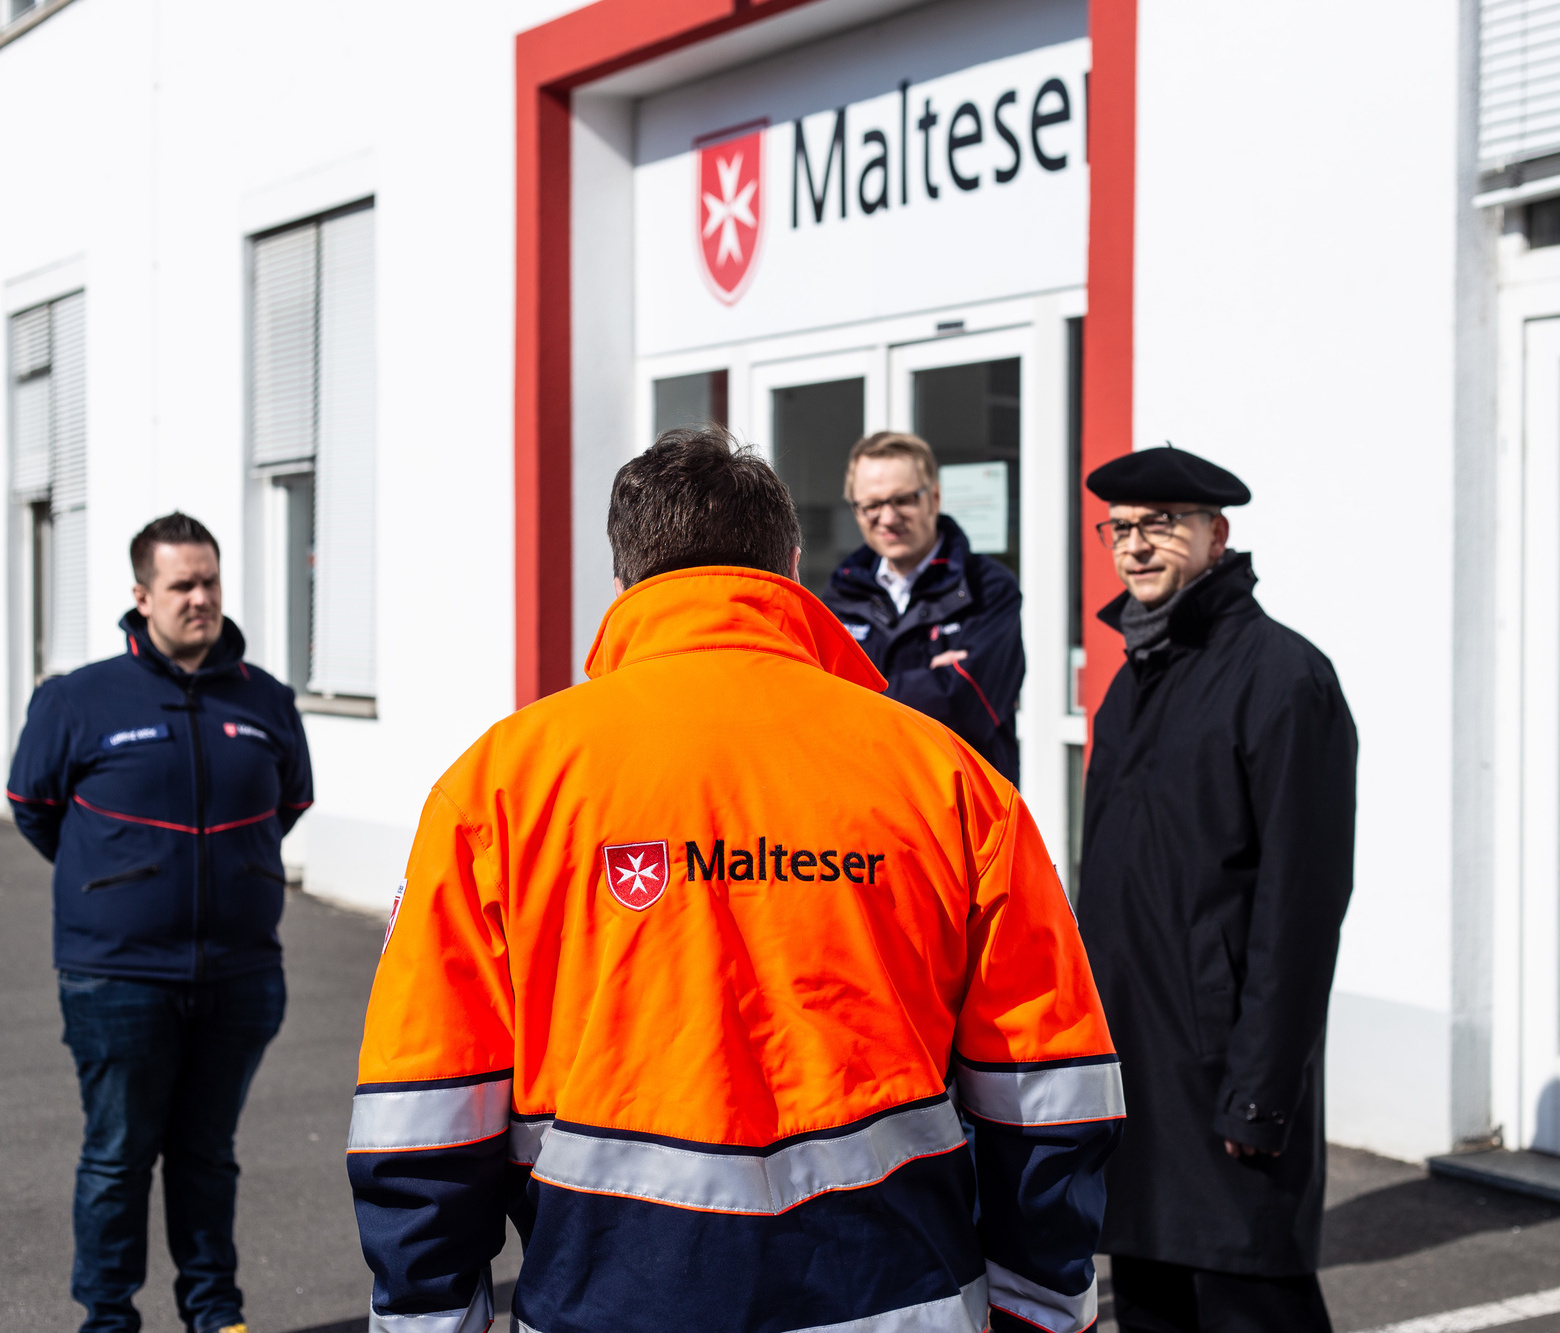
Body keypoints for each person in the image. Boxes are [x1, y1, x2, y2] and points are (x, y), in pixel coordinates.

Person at [348, 429, 1122, 1333]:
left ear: (624, 580)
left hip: (609, 1304)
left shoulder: (500, 784)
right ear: (790, 566)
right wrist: (1037, 1312)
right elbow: (1049, 1092)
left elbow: (423, 1113)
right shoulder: (947, 778)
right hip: (899, 1305)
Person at [8, 512, 314, 1333]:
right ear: (141, 595)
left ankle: (216, 1313)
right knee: (117, 1156)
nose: (201, 598)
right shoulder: (78, 699)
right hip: (117, 975)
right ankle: (107, 1318)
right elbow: (33, 808)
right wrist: (118, 884)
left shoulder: (266, 700)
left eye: (210, 580)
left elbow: (287, 804)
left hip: (240, 973)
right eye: (183, 584)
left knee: (208, 1155)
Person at [1074, 447, 1357, 1333]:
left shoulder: (1282, 679)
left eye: (1161, 524)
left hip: (1222, 1079)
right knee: (1151, 1309)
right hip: (1136, 1072)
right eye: (1120, 528)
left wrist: (1259, 1089)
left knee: (1251, 1302)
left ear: (1215, 534)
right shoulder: (1131, 684)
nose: (1136, 546)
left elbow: (1300, 907)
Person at [821, 431, 1024, 783]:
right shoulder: (840, 595)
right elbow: (820, 709)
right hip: (871, 802)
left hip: (963, 810)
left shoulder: (988, 588)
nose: (887, 518)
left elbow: (967, 706)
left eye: (902, 500)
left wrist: (857, 694)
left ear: (934, 498)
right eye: (871, 505)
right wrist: (931, 681)